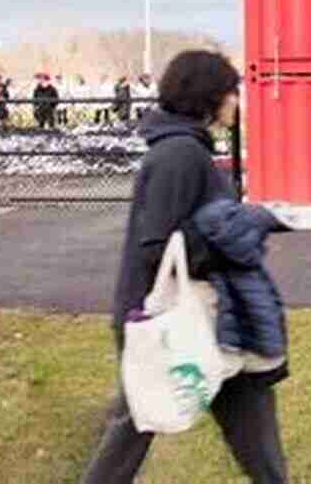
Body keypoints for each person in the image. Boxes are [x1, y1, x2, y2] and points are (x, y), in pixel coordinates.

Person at [81, 50, 288, 484]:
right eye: (232, 92)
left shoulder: (183, 150)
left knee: (247, 418)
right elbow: (158, 241)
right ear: (209, 96)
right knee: (136, 425)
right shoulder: (179, 155)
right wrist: (236, 233)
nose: (237, 102)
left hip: (211, 315)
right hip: (174, 317)